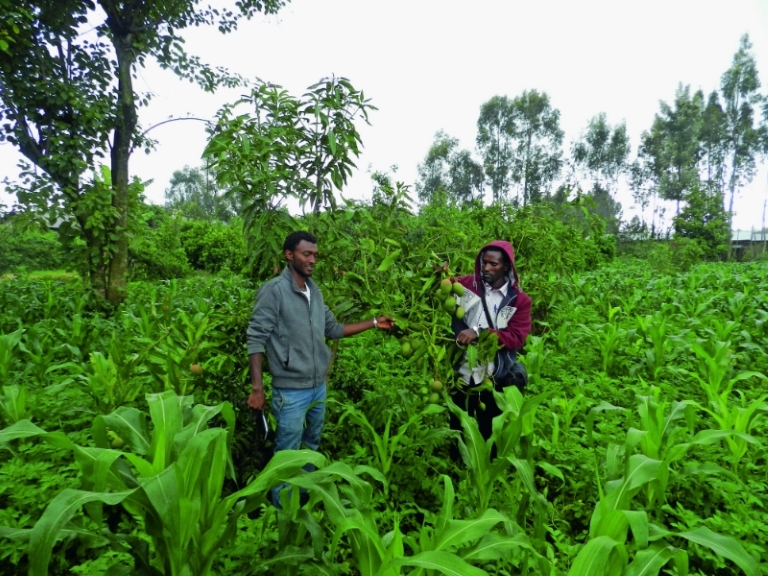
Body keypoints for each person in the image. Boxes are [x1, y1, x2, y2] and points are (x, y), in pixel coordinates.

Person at [246, 231, 395, 506]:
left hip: (317, 388)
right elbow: (256, 337)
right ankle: (281, 513)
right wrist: (257, 389)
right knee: (287, 455)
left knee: (311, 448)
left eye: (315, 255)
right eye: (306, 254)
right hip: (290, 391)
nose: (313, 260)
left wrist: (374, 322)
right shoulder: (274, 292)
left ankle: (303, 502)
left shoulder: (314, 290)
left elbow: (333, 329)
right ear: (289, 255)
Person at [450, 240, 532, 447]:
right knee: (458, 429)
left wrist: (479, 332)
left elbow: (515, 337)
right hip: (462, 373)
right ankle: (458, 469)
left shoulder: (518, 300)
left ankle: (487, 469)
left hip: (494, 375)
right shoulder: (468, 285)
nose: (486, 268)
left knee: (489, 432)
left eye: (493, 264)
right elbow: (444, 283)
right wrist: (440, 274)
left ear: (506, 267)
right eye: (483, 262)